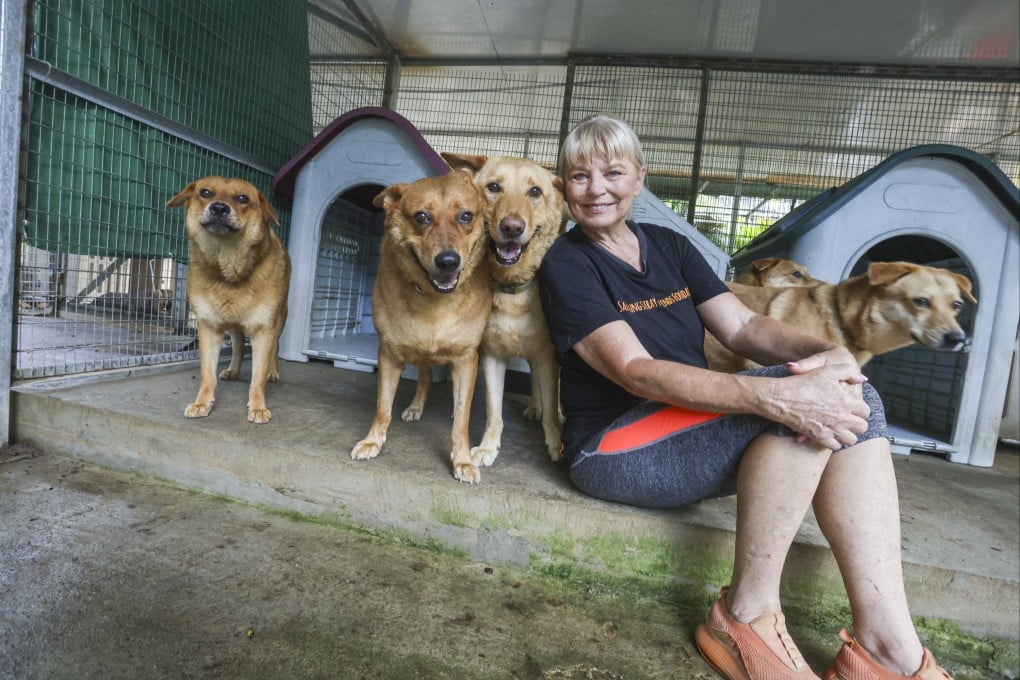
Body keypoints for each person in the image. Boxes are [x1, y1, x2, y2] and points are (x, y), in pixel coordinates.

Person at [537, 114, 953, 680]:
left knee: (847, 387)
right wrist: (778, 396)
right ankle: (745, 617)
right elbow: (636, 372)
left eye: (612, 172)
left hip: (688, 425)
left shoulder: (670, 245)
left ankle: (889, 647)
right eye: (579, 176)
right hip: (614, 447)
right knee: (793, 401)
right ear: (564, 188)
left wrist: (829, 353)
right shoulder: (567, 264)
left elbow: (742, 330)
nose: (596, 188)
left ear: (639, 178)